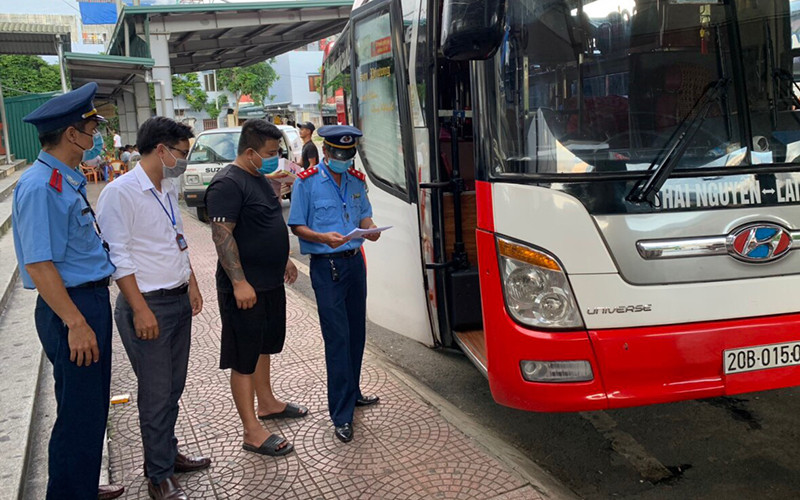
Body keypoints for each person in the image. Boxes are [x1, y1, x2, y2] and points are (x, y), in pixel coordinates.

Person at [11, 82, 125, 500]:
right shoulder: (41, 186)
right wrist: (75, 322)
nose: (95, 137)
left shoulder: (63, 180)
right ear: (71, 133)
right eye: (91, 128)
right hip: (71, 308)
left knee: (90, 408)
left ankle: (81, 486)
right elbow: (39, 264)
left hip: (87, 301)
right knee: (78, 412)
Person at [96, 117, 210, 500]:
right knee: (157, 391)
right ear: (160, 149)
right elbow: (119, 257)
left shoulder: (166, 186)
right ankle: (158, 475)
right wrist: (139, 309)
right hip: (147, 306)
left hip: (176, 298)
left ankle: (166, 452)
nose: (184, 158)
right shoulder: (120, 192)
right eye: (180, 152)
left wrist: (190, 281)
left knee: (172, 387)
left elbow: (174, 239)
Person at [205, 119, 305, 457]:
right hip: (245, 288)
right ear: (250, 152)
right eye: (270, 153)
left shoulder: (257, 178)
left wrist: (284, 261)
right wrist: (239, 281)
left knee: (264, 345)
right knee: (243, 356)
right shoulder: (227, 184)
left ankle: (268, 403)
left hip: (270, 281)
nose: (275, 158)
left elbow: (267, 223)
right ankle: (251, 430)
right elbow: (223, 236)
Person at [287, 125, 381, 443]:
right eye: (338, 154)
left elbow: (364, 216)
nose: (344, 159)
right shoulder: (307, 183)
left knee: (356, 334)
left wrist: (371, 228)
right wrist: (322, 238)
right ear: (326, 152)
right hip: (327, 269)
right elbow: (297, 225)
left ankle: (353, 392)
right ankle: (341, 415)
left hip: (355, 263)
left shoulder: (356, 181)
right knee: (337, 340)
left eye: (349, 154)